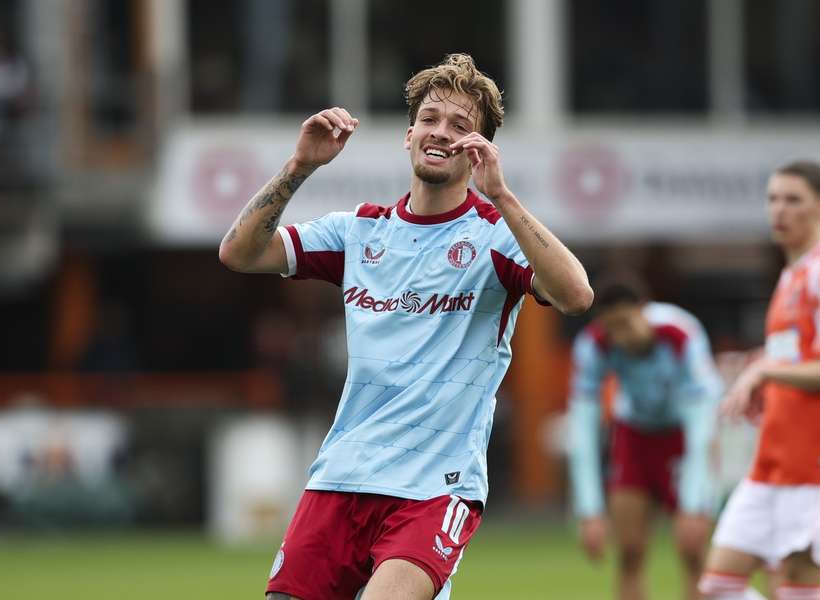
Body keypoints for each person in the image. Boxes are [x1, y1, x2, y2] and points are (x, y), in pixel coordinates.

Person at [218, 53, 592, 600]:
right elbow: (239, 252)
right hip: (341, 477)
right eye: (431, 118)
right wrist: (300, 166)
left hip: (434, 490)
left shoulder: (495, 237)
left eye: (461, 127)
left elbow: (577, 294)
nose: (441, 133)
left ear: (481, 149)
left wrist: (503, 196)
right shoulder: (359, 231)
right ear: (409, 133)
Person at [698, 160, 820, 600]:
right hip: (776, 455)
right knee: (719, 585)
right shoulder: (791, 275)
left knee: (798, 586)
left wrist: (765, 371)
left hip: (819, 457)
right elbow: (798, 359)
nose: (779, 210)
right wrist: (764, 374)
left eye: (793, 199)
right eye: (773, 199)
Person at [567, 273, 722, 600]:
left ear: (644, 310)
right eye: (612, 329)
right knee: (629, 552)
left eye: (626, 324)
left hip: (684, 436)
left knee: (692, 550)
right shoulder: (594, 345)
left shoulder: (680, 333)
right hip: (634, 437)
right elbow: (582, 429)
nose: (621, 338)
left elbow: (702, 421)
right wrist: (589, 511)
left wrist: (694, 503)